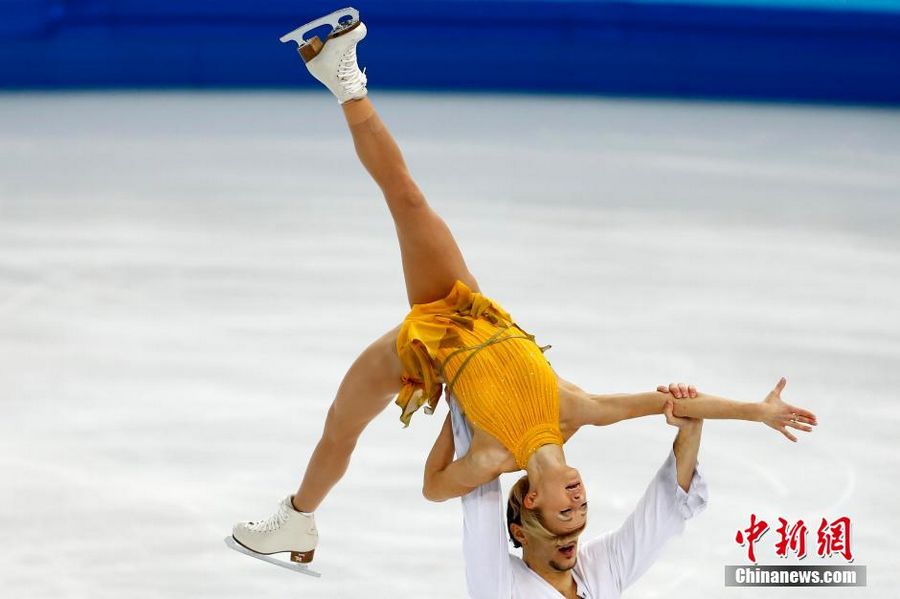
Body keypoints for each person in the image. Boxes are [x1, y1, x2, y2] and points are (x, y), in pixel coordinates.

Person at [229, 9, 817, 567]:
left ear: (531, 501)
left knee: (341, 426)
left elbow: (434, 489)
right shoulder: (575, 412)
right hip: (471, 310)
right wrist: (755, 411)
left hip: (421, 353)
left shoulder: (491, 458)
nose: (580, 496)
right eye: (584, 506)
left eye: (568, 508)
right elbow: (670, 403)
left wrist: (454, 422)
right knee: (408, 199)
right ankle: (343, 76)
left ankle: (297, 517)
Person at [445, 393, 708, 598]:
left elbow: (662, 509)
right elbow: (480, 507)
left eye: (580, 509)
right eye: (564, 514)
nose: (572, 528)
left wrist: (691, 428)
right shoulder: (501, 589)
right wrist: (466, 403)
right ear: (521, 532)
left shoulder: (599, 567)